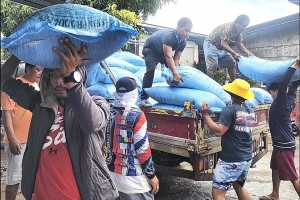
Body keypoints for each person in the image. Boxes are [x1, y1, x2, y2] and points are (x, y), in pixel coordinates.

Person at [1, 38, 118, 200]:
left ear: (79, 76)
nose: (59, 81)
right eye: (54, 75)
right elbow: (4, 80)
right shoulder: (39, 104)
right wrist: (18, 51)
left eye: (65, 75)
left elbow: (91, 124)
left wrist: (71, 77)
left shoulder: (98, 103)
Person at [201, 79, 255, 200]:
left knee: (218, 193)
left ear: (231, 93)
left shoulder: (230, 110)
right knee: (238, 187)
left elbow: (219, 131)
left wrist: (205, 115)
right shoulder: (250, 111)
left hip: (231, 160)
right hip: (246, 158)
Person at [105, 77, 159, 200]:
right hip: (134, 181)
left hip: (112, 177)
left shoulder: (108, 110)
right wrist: (151, 175)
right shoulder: (137, 115)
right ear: (134, 93)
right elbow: (142, 149)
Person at [259, 56, 300, 200]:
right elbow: (293, 85)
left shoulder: (282, 100)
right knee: (274, 168)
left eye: (271, 92)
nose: (270, 95)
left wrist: (295, 65)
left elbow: (284, 84)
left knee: (292, 176)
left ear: (275, 91)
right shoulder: (290, 98)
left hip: (284, 145)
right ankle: (275, 194)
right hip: (280, 144)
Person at [2, 63, 42, 200]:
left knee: (29, 176)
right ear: (27, 69)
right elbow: (6, 113)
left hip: (31, 140)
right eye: (37, 69)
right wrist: (12, 138)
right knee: (14, 178)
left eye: (41, 69)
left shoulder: (36, 86)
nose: (40, 72)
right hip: (17, 141)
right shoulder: (15, 87)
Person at [140, 17, 193, 107]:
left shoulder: (183, 42)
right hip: (151, 50)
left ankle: (174, 94)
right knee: (151, 70)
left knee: (175, 71)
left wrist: (176, 72)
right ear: (179, 27)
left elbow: (176, 58)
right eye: (186, 30)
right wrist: (175, 72)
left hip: (163, 52)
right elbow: (168, 56)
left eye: (189, 31)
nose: (187, 33)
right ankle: (144, 98)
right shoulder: (169, 36)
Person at [203, 14, 253, 82]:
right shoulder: (228, 28)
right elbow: (223, 44)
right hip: (211, 45)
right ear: (236, 22)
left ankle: (234, 83)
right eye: (243, 26)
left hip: (221, 48)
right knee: (213, 66)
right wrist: (234, 53)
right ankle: (208, 86)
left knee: (232, 63)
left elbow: (239, 44)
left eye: (246, 26)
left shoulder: (238, 32)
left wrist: (248, 53)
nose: (244, 28)